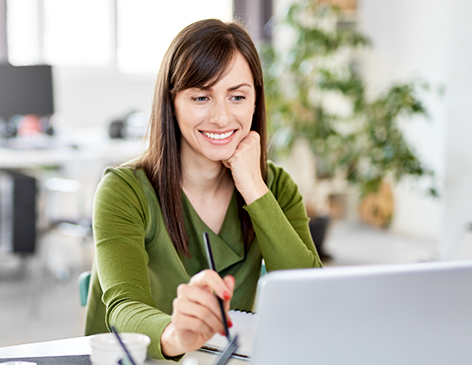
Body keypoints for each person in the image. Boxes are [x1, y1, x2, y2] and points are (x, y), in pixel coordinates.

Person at [84, 18, 322, 360]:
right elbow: (124, 309)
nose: (222, 118)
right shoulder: (124, 191)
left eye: (237, 96)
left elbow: (311, 298)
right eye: (201, 97)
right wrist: (177, 335)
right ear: (173, 101)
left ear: (256, 100)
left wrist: (254, 188)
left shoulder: (276, 187)